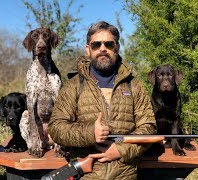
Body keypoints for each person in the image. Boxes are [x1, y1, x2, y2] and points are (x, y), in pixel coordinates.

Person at [49, 21, 156, 179]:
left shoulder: (134, 85)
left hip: (125, 176)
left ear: (117, 48)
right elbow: (56, 128)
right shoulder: (73, 86)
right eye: (96, 44)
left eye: (109, 44)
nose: (103, 49)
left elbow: (148, 127)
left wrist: (120, 150)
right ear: (88, 49)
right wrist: (90, 132)